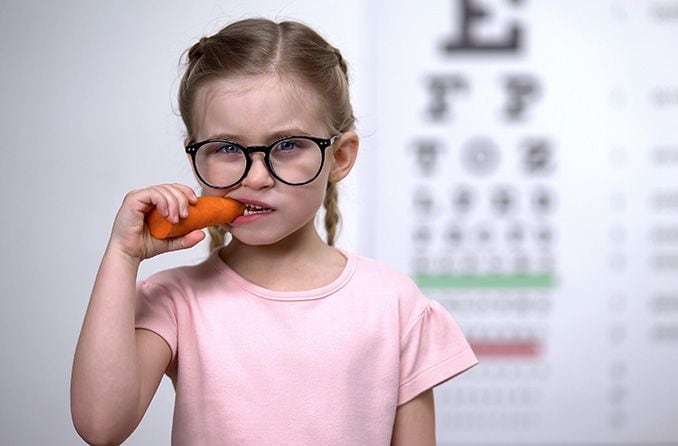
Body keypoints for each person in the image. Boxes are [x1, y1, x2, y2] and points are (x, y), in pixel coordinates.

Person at [71, 17, 477, 445]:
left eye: (287, 145)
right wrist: (122, 255)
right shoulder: (176, 300)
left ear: (339, 156)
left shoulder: (394, 304)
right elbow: (101, 426)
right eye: (227, 148)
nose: (257, 177)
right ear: (196, 157)